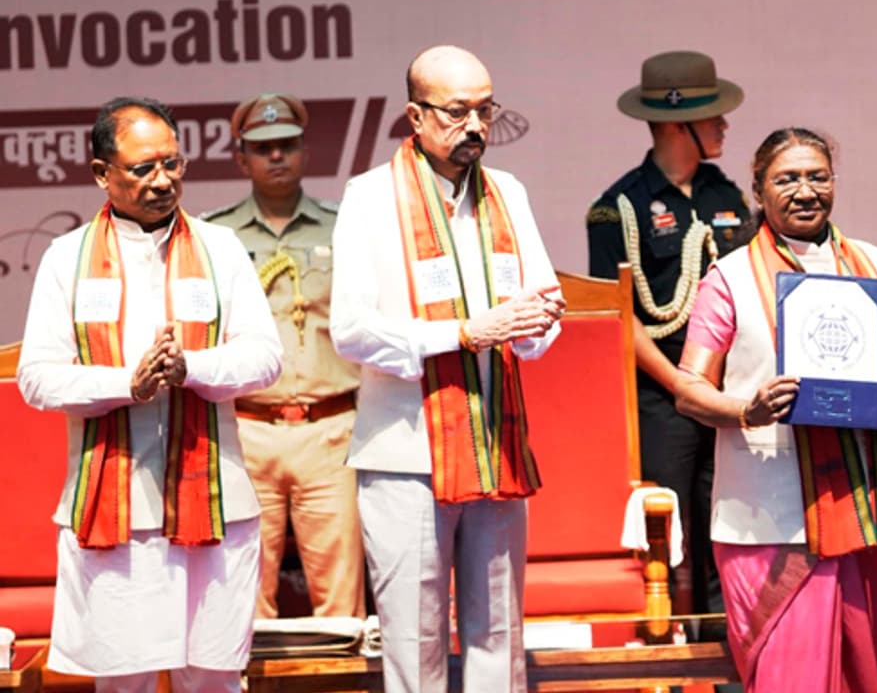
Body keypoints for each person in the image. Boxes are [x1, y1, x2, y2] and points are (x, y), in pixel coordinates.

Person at [17, 97, 281, 692]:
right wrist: (125, 386)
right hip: (115, 513)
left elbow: (266, 357)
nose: (163, 181)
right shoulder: (68, 259)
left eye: (173, 163)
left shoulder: (220, 249)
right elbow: (37, 376)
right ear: (100, 173)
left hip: (215, 506)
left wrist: (191, 367)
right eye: (142, 169)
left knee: (213, 680)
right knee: (124, 683)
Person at [330, 45, 564, 693]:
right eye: (458, 111)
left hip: (494, 444)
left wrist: (541, 323)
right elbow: (349, 329)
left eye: (485, 110)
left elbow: (536, 321)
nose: (476, 126)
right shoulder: (370, 197)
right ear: (415, 115)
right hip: (405, 453)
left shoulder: (507, 193)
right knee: (415, 640)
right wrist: (459, 334)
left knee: (500, 637)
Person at [672, 127, 877, 692]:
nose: (805, 191)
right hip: (770, 517)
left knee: (867, 676)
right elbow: (690, 390)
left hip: (862, 510)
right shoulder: (729, 278)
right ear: (758, 191)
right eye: (787, 179)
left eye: (818, 176)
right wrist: (747, 410)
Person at [587, 50, 751, 614]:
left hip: (726, 395)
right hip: (664, 400)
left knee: (727, 533)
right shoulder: (618, 208)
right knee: (670, 543)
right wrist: (682, 386)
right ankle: (670, 670)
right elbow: (621, 318)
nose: (724, 124)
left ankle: (727, 667)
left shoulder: (726, 196)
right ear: (678, 123)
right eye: (713, 116)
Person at [204, 93, 365, 619]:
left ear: (305, 151)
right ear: (241, 158)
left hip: (331, 430)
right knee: (243, 602)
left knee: (341, 604)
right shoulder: (215, 237)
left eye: (287, 145)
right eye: (263, 148)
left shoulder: (343, 227)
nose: (277, 157)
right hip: (246, 431)